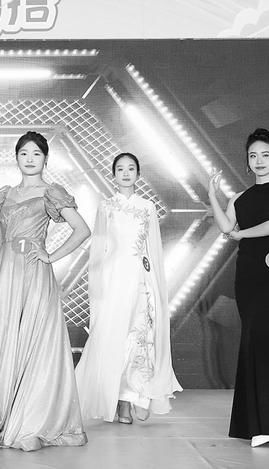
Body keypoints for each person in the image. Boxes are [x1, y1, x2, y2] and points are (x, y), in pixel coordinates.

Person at [0, 131, 90, 451]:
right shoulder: (4, 194)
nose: (29, 158)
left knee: (34, 342)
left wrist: (50, 256)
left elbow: (82, 230)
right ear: (16, 157)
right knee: (4, 344)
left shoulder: (51, 193)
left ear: (45, 159)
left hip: (35, 273)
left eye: (36, 153)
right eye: (24, 153)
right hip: (6, 276)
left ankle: (31, 420)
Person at [75, 152, 182, 423]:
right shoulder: (106, 207)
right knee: (114, 340)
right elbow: (99, 250)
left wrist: (155, 285)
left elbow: (153, 249)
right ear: (113, 174)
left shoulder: (147, 207)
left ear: (138, 174)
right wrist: (98, 289)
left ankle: (136, 397)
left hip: (141, 280)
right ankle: (117, 401)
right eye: (120, 169)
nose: (125, 173)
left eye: (131, 168)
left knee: (139, 337)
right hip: (113, 280)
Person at [208, 128, 269, 447]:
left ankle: (265, 424)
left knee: (263, 338)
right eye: (253, 156)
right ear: (247, 162)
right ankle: (263, 424)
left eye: (265, 155)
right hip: (247, 275)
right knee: (253, 341)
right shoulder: (239, 198)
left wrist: (241, 234)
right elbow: (225, 226)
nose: (259, 161)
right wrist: (212, 195)